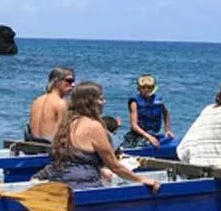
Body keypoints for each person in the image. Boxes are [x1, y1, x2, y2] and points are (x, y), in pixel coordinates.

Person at [30, 81, 161, 193]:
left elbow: (75, 159)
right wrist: (142, 179)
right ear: (90, 102)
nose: (104, 102)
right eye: (101, 98)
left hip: (56, 179)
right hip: (81, 185)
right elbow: (114, 166)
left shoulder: (67, 122)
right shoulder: (94, 126)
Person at [122, 74, 174, 149]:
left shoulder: (158, 100)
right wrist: (149, 137)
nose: (147, 90)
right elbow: (134, 125)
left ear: (154, 88)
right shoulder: (134, 102)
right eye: (143, 87)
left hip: (153, 133)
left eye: (150, 87)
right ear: (139, 88)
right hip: (138, 135)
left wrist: (168, 130)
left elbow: (166, 113)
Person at [26, 66, 75, 143]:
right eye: (69, 81)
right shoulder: (61, 103)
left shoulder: (37, 101)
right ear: (57, 81)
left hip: (34, 145)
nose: (73, 85)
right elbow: (62, 134)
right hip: (50, 148)